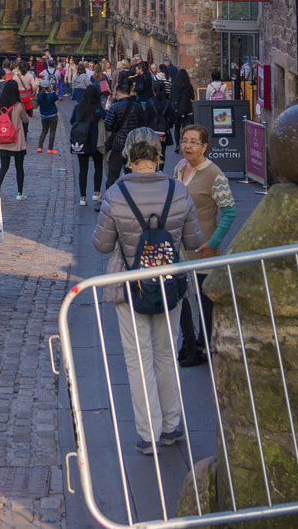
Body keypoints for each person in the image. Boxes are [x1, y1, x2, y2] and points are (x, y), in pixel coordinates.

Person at [93, 130, 205, 456]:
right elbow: (193, 239)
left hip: (130, 285)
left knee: (137, 357)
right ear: (159, 156)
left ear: (128, 157)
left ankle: (149, 433)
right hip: (169, 281)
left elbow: (101, 244)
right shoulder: (178, 190)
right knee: (167, 352)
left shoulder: (115, 194)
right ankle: (171, 424)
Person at [173, 125, 236, 366]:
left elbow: (229, 211)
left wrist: (214, 242)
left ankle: (207, 344)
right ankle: (190, 342)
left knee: (204, 299)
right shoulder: (179, 168)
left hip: (204, 248)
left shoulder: (215, 174)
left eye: (193, 142)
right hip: (180, 245)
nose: (187, 146)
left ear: (205, 146)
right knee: (181, 296)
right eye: (184, 140)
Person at [0, 91, 29, 200]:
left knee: (3, 167)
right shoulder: (18, 106)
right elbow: (25, 119)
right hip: (16, 140)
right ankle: (19, 193)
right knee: (19, 168)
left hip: (3, 140)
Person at [36, 79, 60, 153]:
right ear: (49, 87)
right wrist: (53, 90)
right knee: (52, 131)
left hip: (44, 115)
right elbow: (56, 98)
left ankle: (40, 147)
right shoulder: (52, 95)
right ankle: (50, 148)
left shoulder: (39, 95)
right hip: (52, 115)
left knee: (44, 131)